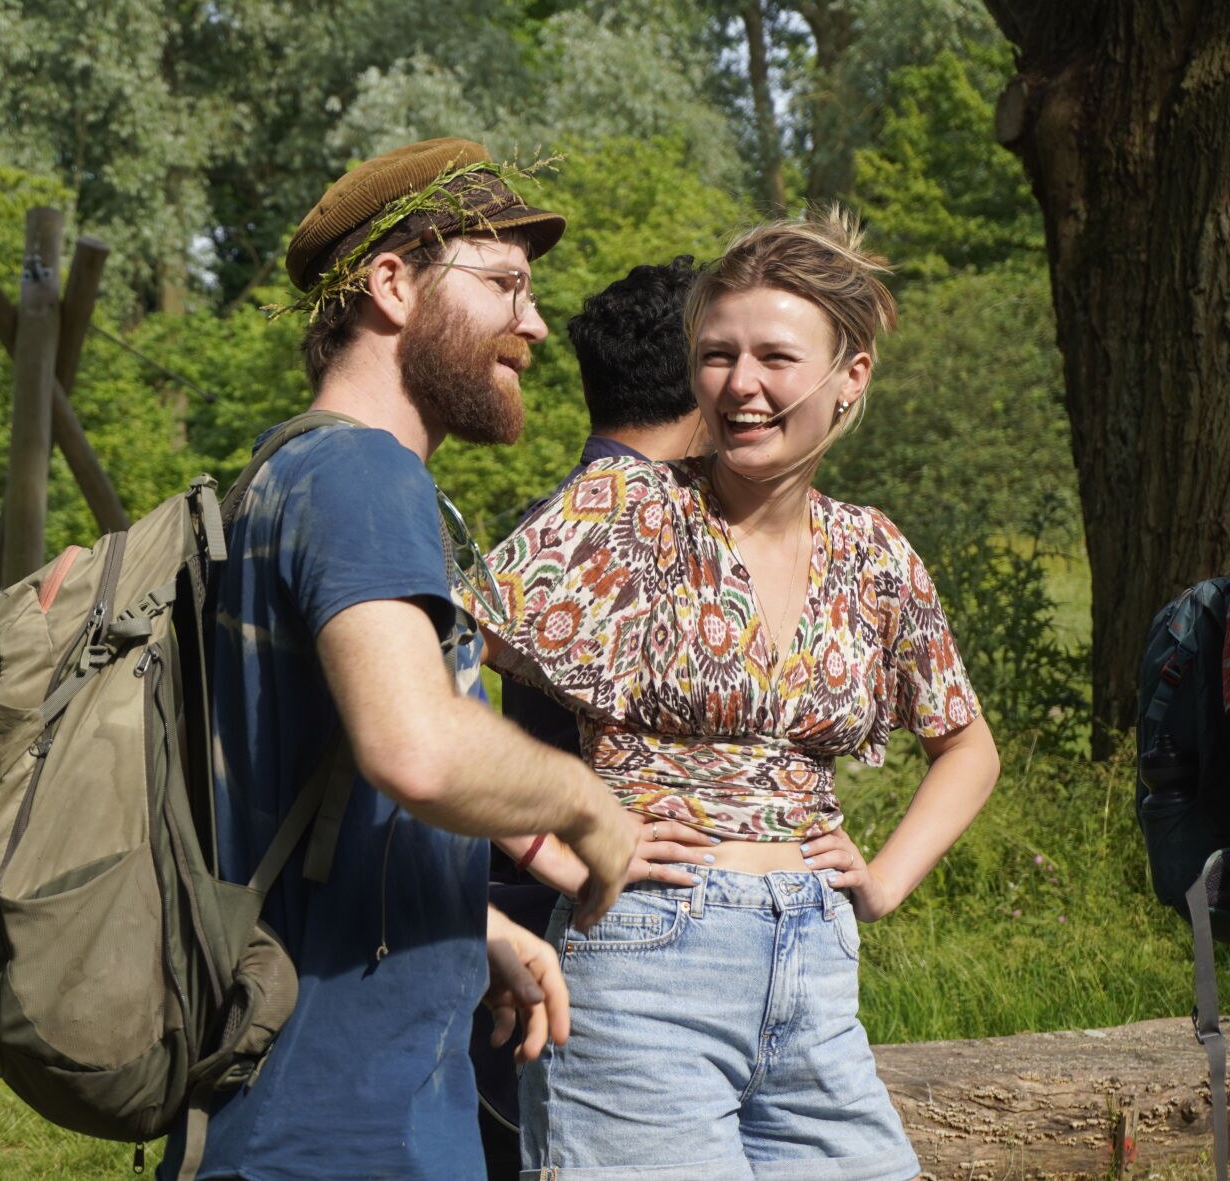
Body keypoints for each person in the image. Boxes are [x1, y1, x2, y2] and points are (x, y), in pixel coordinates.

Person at [477, 210, 1000, 1181]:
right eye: (716, 356)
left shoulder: (872, 551)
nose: (739, 384)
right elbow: (430, 673)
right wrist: (545, 847)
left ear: (849, 377)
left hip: (817, 968)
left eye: (774, 356)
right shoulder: (628, 511)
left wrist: (882, 881)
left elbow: (966, 747)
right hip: (643, 963)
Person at [158, 137, 638, 1181]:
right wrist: (589, 807)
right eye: (502, 284)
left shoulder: (286, 473)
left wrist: (468, 929)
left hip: (302, 1112)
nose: (533, 324)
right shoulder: (364, 478)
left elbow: (306, 801)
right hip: (336, 1131)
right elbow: (413, 747)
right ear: (391, 283)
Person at [472, 256, 717, 1180]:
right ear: (702, 378)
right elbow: (423, 696)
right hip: (603, 938)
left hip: (539, 928)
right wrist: (560, 845)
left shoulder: (549, 518)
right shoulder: (642, 528)